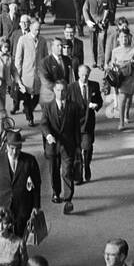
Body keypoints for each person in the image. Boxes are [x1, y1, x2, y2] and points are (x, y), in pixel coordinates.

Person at [0, 130, 42, 240]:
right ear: (7, 146)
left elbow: (37, 184)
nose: (15, 152)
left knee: (19, 238)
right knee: (2, 235)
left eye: (18, 148)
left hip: (22, 207)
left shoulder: (30, 161)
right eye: (12, 148)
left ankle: (18, 256)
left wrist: (36, 205)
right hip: (2, 205)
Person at [40, 73, 80, 215]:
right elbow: (44, 124)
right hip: (52, 146)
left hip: (68, 146)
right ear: (54, 91)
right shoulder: (48, 107)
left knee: (67, 172)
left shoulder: (73, 107)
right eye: (58, 90)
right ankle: (56, 193)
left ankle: (68, 198)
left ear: (67, 91)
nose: (60, 93)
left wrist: (77, 147)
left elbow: (76, 129)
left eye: (63, 90)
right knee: (54, 171)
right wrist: (48, 135)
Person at [105, 22, 134, 130]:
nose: (124, 39)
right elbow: (112, 64)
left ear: (129, 38)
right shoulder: (115, 51)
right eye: (121, 37)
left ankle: (126, 114)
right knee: (123, 98)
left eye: (125, 37)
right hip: (121, 79)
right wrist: (114, 67)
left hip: (130, 77)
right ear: (118, 39)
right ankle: (121, 122)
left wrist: (133, 64)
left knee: (129, 98)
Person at [76, 64, 102, 185]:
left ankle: (87, 165)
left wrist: (96, 105)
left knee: (87, 147)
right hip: (75, 124)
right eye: (82, 75)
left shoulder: (94, 86)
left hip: (88, 124)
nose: (85, 77)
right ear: (78, 74)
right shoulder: (72, 87)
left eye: (87, 75)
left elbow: (99, 101)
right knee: (76, 151)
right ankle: (79, 175)